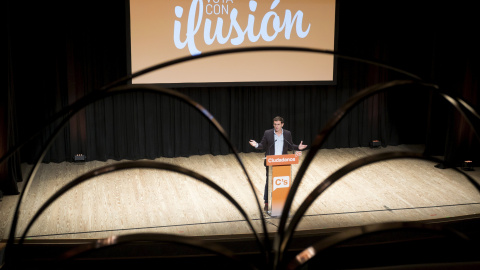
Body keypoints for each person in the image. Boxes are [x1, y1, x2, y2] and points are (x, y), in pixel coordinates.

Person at [249, 116, 307, 211]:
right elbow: (262, 145)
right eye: (275, 124)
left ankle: (281, 203)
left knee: (282, 182)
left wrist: (298, 147)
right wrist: (256, 144)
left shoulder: (287, 134)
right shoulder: (268, 133)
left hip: (283, 162)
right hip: (271, 162)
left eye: (278, 124)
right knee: (269, 182)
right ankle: (267, 202)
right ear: (273, 124)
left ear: (282, 125)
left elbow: (290, 145)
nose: (276, 126)